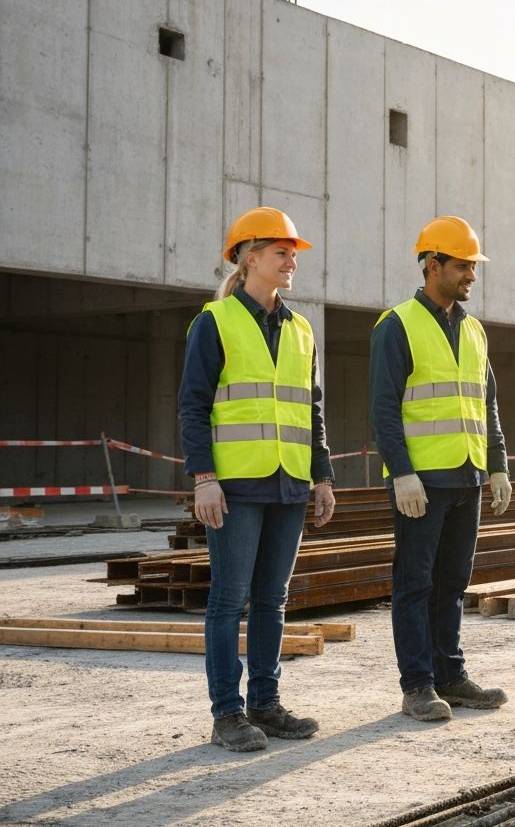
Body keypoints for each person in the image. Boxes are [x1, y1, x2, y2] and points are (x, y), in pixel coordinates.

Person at [178, 206, 336, 752]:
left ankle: (266, 707)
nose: (291, 261)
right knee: (229, 601)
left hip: (289, 483)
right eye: (281, 252)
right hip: (236, 486)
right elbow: (193, 407)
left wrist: (322, 477)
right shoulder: (214, 322)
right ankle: (228, 715)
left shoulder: (301, 329)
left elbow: (311, 408)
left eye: (293, 253)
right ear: (249, 259)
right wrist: (204, 478)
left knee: (273, 600)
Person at [370, 215, 512, 722]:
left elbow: (486, 402)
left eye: (473, 266)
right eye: (462, 266)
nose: (471, 275)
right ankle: (418, 685)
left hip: (467, 475)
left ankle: (451, 675)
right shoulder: (397, 326)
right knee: (415, 582)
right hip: (422, 483)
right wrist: (402, 472)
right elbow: (384, 408)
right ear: (433, 265)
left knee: (453, 581)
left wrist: (497, 465)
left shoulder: (474, 331)